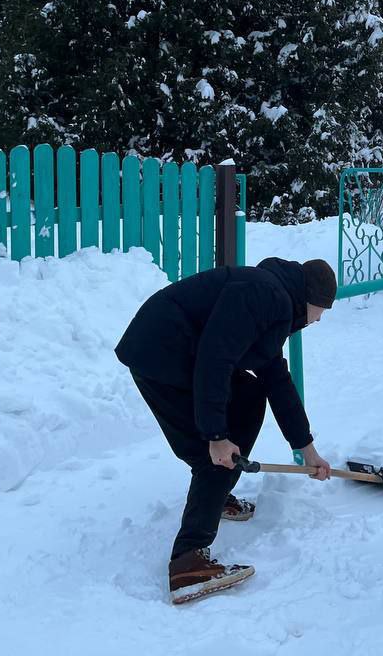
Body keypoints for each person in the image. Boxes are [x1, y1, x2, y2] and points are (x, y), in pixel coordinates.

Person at [115, 256, 338, 603]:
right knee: (216, 453)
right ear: (308, 299)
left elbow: (276, 378)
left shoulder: (272, 298)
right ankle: (189, 561)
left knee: (248, 397)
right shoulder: (266, 295)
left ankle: (215, 495)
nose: (318, 320)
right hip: (161, 353)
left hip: (166, 350)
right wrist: (216, 435)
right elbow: (215, 359)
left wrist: (306, 447)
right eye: (320, 312)